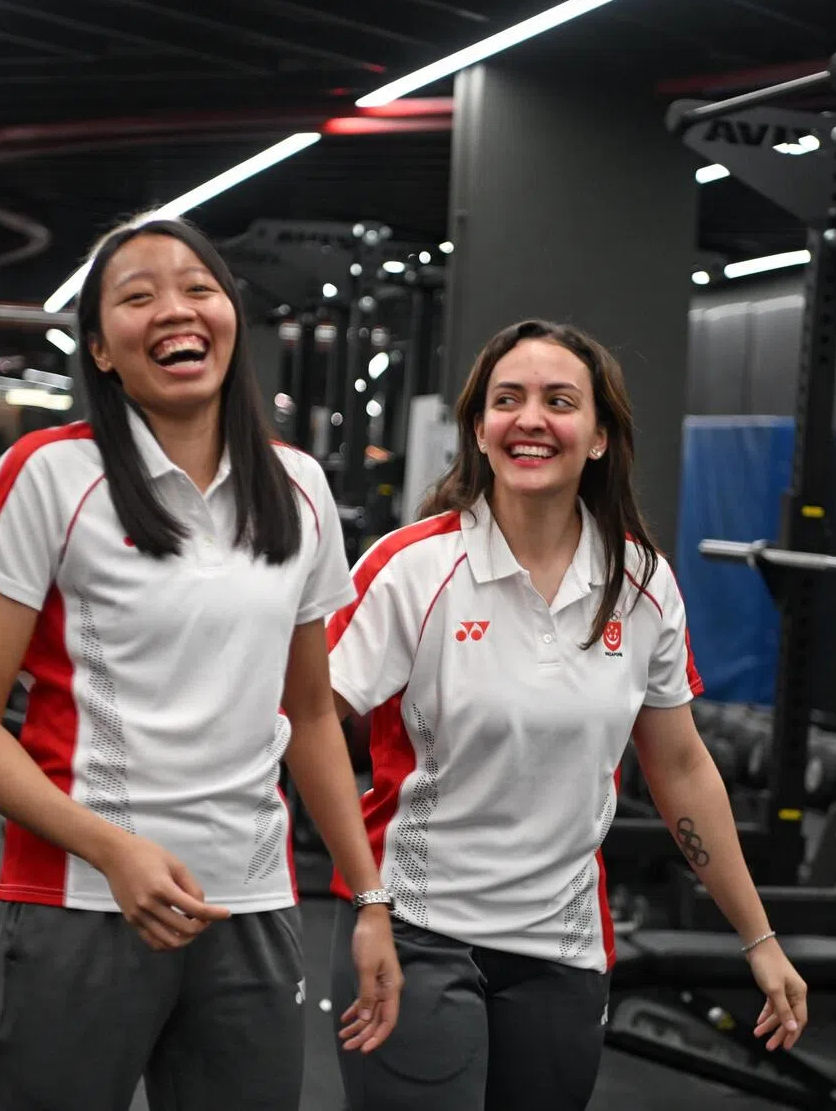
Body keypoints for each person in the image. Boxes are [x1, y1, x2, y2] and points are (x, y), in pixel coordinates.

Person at [0, 215, 402, 1111]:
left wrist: (369, 895)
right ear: (102, 351)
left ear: (230, 315)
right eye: (137, 297)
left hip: (253, 906)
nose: (174, 310)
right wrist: (115, 851)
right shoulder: (49, 476)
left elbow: (309, 715)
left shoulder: (299, 485)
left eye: (198, 288)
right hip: (79, 900)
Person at [325, 318, 809, 1111]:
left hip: (561, 948)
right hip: (415, 930)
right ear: (480, 430)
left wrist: (758, 938)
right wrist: (365, 901)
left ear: (598, 437)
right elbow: (307, 727)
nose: (531, 419)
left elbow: (682, 768)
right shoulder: (415, 568)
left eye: (560, 401)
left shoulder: (643, 585)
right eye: (507, 399)